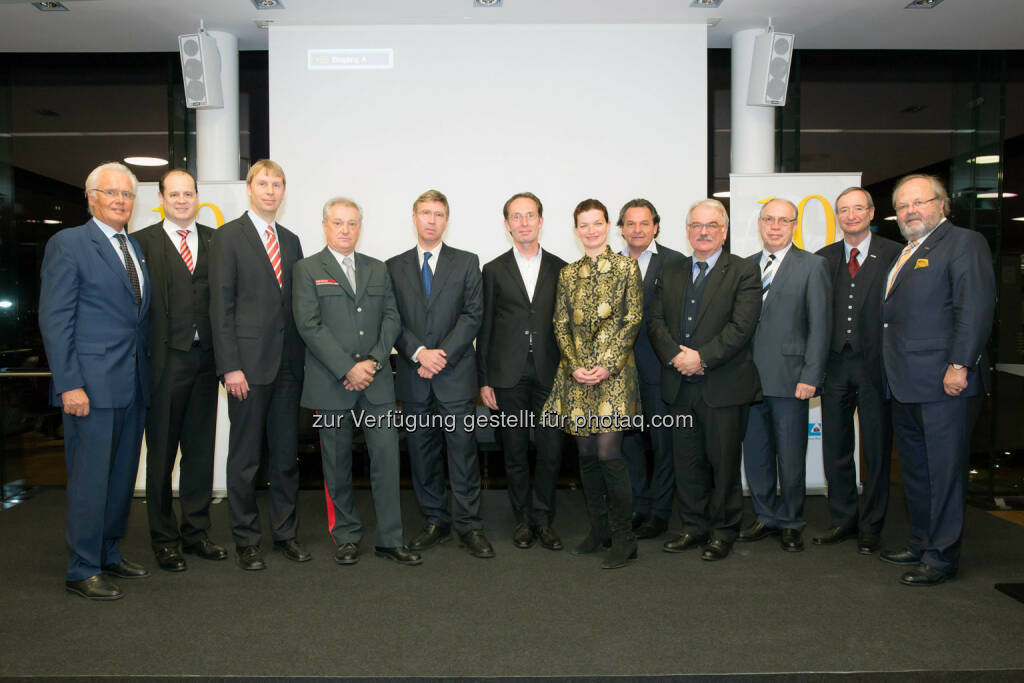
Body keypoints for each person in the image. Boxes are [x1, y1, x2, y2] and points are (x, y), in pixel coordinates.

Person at [39, 161, 150, 599]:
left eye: (127, 194)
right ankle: (82, 567)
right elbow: (55, 320)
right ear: (91, 197)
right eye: (111, 193)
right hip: (90, 388)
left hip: (132, 385)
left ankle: (108, 552)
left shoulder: (133, 245)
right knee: (90, 481)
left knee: (121, 479)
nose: (121, 200)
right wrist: (69, 384)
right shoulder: (69, 244)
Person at [293, 197, 421, 566]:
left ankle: (390, 539)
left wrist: (374, 362)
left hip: (376, 382)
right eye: (338, 223)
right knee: (336, 463)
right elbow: (309, 326)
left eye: (352, 223)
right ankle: (346, 536)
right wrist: (347, 368)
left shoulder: (377, 269)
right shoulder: (307, 269)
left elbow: (392, 319)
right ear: (325, 226)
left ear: (360, 228)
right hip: (331, 383)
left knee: (386, 459)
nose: (345, 230)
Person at [881, 174, 995, 586]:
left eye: (919, 202)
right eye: (902, 206)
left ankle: (942, 557)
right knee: (916, 470)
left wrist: (959, 364)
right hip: (905, 382)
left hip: (945, 383)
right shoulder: (906, 252)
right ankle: (922, 541)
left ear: (942, 205)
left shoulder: (964, 243)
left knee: (944, 472)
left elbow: (975, 308)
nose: (910, 211)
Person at [648, 199, 762, 561]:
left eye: (712, 225)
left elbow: (741, 327)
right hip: (679, 384)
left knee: (724, 463)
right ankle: (693, 527)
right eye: (696, 225)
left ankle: (723, 531)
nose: (703, 231)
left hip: (723, 386)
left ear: (724, 231)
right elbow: (655, 322)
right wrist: (676, 357)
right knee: (687, 463)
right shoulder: (671, 271)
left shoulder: (744, 271)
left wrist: (701, 358)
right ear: (687, 230)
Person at [209, 159, 309, 570]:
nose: (270, 191)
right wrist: (230, 366)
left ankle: (285, 534)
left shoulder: (291, 240)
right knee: (246, 459)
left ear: (284, 191)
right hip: (246, 370)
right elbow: (220, 306)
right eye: (263, 183)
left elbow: (296, 305)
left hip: (288, 367)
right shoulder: (227, 237)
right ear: (249, 188)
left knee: (285, 458)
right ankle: (247, 540)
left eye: (277, 184)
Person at [386, 190, 493, 559]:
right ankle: (435, 521)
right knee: (422, 453)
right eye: (425, 213)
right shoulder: (393, 266)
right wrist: (419, 353)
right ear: (414, 217)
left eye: (438, 214)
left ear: (446, 220)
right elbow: (391, 318)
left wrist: (440, 355)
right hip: (414, 375)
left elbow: (473, 315)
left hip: (454, 375)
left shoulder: (466, 262)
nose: (431, 220)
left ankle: (469, 525)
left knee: (463, 453)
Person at [132, 169, 226, 572]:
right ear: (161, 198)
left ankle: (196, 533)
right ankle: (164, 540)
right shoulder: (141, 243)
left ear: (197, 197)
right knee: (161, 456)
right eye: (175, 194)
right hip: (164, 363)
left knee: (200, 454)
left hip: (207, 362)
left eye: (189, 194)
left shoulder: (217, 240)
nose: (183, 200)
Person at [543, 198, 643, 569]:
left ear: (608, 226)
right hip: (577, 378)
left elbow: (632, 319)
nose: (591, 230)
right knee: (585, 454)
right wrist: (573, 366)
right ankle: (599, 531)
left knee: (608, 454)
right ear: (576, 230)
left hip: (613, 376)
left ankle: (625, 538)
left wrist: (606, 365)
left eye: (597, 223)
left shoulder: (626, 267)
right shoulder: (568, 274)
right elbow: (559, 324)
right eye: (583, 224)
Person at [813, 187, 902, 554]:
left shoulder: (894, 254)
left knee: (877, 451)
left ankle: (872, 524)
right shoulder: (823, 258)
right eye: (844, 210)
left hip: (875, 365)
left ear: (871, 212)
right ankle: (843, 519)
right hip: (834, 365)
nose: (851, 215)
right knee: (835, 447)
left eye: (858, 209)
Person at [740, 198, 831, 553]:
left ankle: (792, 521)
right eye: (769, 219)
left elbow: (820, 327)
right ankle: (765, 515)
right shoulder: (746, 266)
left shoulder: (813, 266)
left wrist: (811, 375)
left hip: (792, 379)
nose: (775, 226)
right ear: (760, 223)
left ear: (794, 225)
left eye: (783, 220)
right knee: (757, 455)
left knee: (791, 457)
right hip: (748, 381)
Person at [478, 192, 566, 551]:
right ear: (507, 225)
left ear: (541, 221)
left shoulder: (562, 268)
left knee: (550, 451)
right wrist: (484, 380)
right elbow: (485, 328)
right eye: (516, 216)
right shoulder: (493, 270)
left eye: (530, 215)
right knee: (514, 452)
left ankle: (543, 519)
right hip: (506, 376)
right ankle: (522, 521)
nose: (524, 222)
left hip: (551, 374)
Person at [617, 198, 684, 539]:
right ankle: (637, 506)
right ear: (621, 229)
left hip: (659, 369)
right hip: (620, 373)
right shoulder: (609, 264)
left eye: (644, 223)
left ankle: (659, 512)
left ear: (656, 227)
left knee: (662, 444)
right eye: (630, 223)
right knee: (628, 444)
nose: (637, 229)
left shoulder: (675, 262)